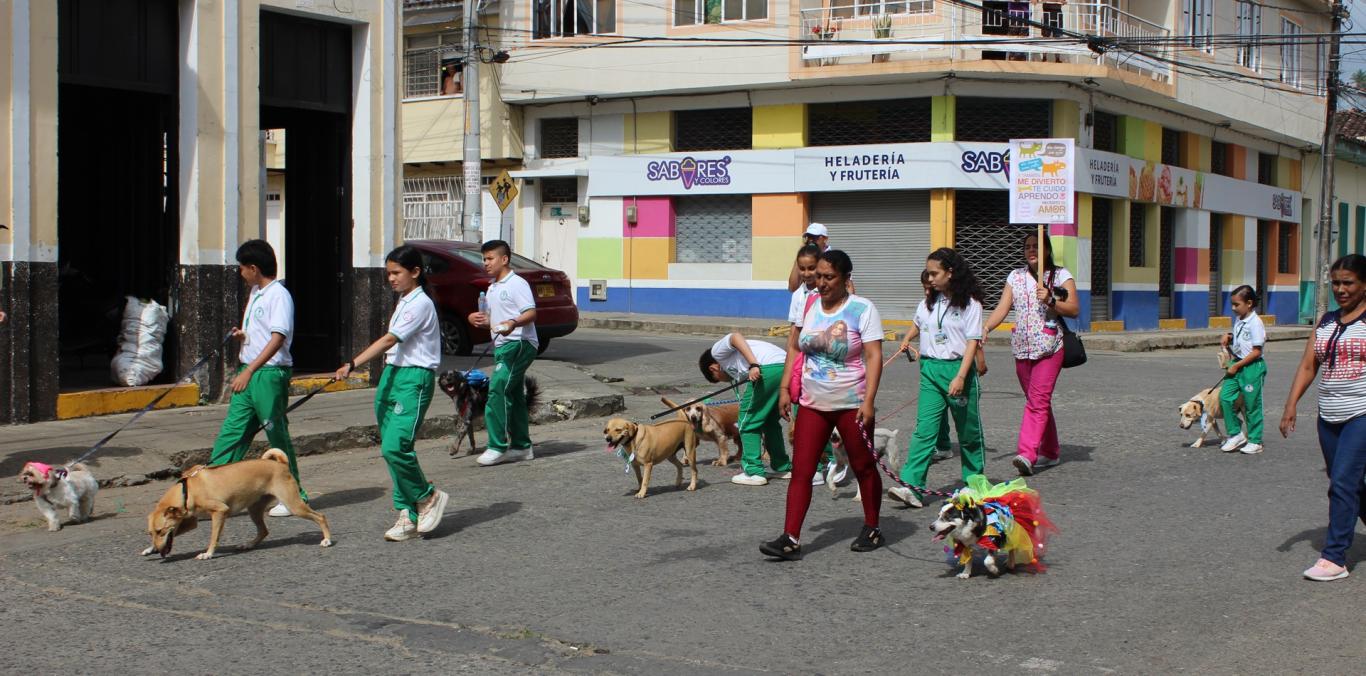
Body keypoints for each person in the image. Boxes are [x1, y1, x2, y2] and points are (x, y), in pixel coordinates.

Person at [764, 250, 884, 560]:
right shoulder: (808, 305)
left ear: (846, 279)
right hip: (813, 403)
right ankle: (790, 537)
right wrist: (784, 389)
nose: (821, 283)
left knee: (863, 466)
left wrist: (868, 401)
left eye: (828, 277)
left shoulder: (862, 309)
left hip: (851, 403)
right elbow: (794, 347)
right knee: (802, 470)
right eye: (817, 276)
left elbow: (873, 356)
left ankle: (871, 526)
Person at [336, 245, 449, 541]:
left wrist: (352, 363)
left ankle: (428, 498)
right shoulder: (404, 301)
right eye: (388, 273)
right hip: (392, 374)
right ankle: (407, 513)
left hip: (413, 378)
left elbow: (389, 340)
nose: (391, 278)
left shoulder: (419, 303)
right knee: (390, 448)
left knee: (395, 447)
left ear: (415, 272)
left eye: (397, 273)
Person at [1280, 254, 1366, 582]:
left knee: (1343, 482)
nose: (1341, 289)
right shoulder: (1326, 321)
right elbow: (1308, 365)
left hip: (1362, 413)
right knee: (1349, 483)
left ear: (1364, 285)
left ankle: (1334, 557)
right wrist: (1290, 407)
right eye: (1336, 283)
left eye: (1349, 283)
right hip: (1329, 414)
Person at [207, 240, 307, 517]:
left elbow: (278, 338)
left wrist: (250, 370)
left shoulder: (279, 295)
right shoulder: (256, 292)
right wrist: (244, 337)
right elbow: (263, 333)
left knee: (276, 434)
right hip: (248, 370)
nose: (240, 272)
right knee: (233, 432)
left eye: (242, 267)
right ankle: (216, 492)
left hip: (268, 373)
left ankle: (293, 494)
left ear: (254, 268)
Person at [891, 248, 986, 508]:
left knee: (968, 433)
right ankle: (912, 487)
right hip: (930, 370)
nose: (930, 279)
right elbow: (920, 326)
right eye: (929, 274)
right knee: (924, 431)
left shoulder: (971, 304)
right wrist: (907, 339)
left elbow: (972, 343)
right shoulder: (927, 303)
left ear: (950, 272)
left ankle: (974, 484)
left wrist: (961, 376)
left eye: (935, 273)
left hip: (957, 371)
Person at [983, 231, 1079, 476]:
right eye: (1028, 247)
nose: (1032, 250)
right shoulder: (1015, 277)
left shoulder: (1060, 276)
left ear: (1047, 249)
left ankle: (1027, 453)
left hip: (1050, 347)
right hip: (1022, 348)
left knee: (1038, 402)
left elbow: (1074, 309)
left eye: (1037, 246)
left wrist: (1051, 300)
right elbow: (1003, 308)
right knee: (1038, 401)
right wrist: (985, 327)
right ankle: (1051, 450)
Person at [468, 240, 539, 467]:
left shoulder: (516, 283)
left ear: (504, 259)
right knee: (514, 394)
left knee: (497, 388)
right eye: (484, 259)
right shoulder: (492, 287)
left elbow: (530, 313)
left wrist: (513, 322)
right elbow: (494, 320)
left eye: (489, 258)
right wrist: (476, 319)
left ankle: (497, 446)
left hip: (519, 343)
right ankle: (521, 446)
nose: (485, 263)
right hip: (502, 345)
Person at [699, 332, 791, 485]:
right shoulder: (736, 360)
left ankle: (753, 472)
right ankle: (781, 466)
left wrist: (753, 364)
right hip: (784, 367)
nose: (726, 380)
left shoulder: (717, 352)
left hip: (766, 369)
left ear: (714, 368)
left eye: (719, 379)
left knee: (747, 422)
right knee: (769, 422)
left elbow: (735, 336)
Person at [787, 244, 838, 486]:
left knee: (828, 412)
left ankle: (831, 458)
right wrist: (788, 380)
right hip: (805, 363)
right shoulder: (799, 295)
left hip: (829, 363)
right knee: (804, 413)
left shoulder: (828, 292)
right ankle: (815, 464)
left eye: (811, 268)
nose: (807, 274)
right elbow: (794, 336)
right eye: (802, 268)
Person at [1219, 285, 1268, 454]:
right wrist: (1229, 337)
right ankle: (1235, 434)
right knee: (1225, 397)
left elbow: (1256, 351)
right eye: (1232, 304)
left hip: (1252, 367)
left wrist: (1237, 366)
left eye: (1236, 304)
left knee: (1252, 405)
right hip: (1237, 363)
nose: (1233, 308)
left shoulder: (1256, 323)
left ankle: (1255, 441)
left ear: (1249, 303)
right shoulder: (1240, 318)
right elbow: (1241, 339)